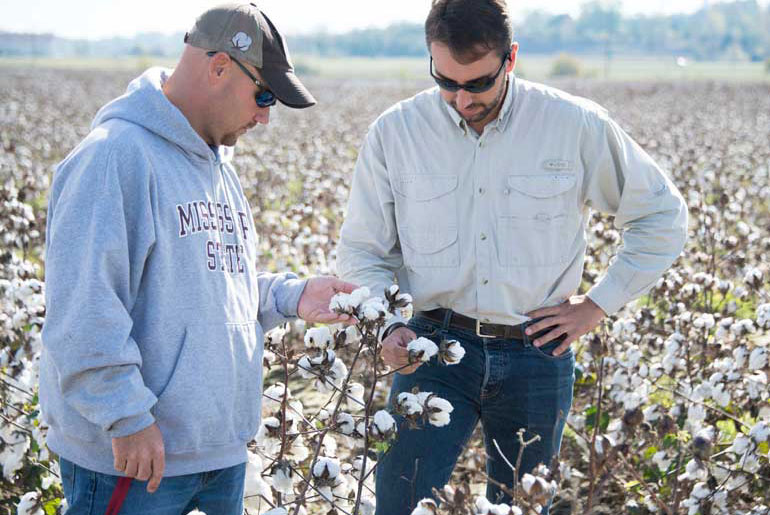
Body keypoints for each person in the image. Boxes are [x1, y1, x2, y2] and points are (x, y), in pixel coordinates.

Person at [336, 0, 688, 513]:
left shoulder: (574, 125)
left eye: (478, 83)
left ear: (510, 58)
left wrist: (598, 304)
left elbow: (662, 216)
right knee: (398, 503)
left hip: (535, 352)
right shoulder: (396, 133)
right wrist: (388, 326)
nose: (460, 98)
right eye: (445, 80)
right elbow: (363, 250)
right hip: (431, 346)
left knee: (523, 507)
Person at [40, 3, 355, 514]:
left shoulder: (216, 165)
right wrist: (127, 418)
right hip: (139, 462)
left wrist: (293, 296)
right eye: (264, 95)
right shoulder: (113, 158)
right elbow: (82, 311)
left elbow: (210, 286)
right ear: (219, 67)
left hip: (218, 457)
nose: (265, 117)